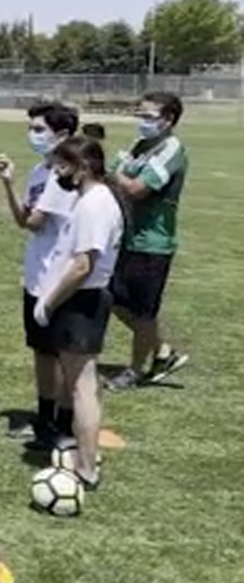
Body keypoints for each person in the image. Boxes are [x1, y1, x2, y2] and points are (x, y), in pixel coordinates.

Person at [32, 136, 124, 490]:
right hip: (79, 301)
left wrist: (50, 300)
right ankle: (85, 455)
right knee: (78, 384)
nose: (58, 173)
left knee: (81, 387)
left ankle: (86, 466)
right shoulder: (89, 201)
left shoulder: (94, 204)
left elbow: (84, 264)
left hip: (81, 302)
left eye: (63, 166)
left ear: (83, 167)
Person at [0, 102, 78, 448]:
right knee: (42, 352)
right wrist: (9, 185)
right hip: (36, 275)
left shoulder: (63, 176)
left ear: (63, 134)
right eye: (31, 128)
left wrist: (12, 187)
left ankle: (64, 423)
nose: (32, 135)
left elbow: (34, 221)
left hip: (58, 278)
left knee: (62, 355)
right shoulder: (40, 171)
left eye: (40, 129)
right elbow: (23, 221)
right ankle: (45, 418)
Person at [105, 91, 189, 391]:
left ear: (168, 119)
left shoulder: (171, 150)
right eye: (140, 114)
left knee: (143, 312)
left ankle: (135, 370)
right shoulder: (141, 145)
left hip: (153, 243)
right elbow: (113, 175)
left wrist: (117, 175)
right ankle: (163, 351)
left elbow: (136, 189)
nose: (142, 121)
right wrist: (118, 175)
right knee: (113, 299)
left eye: (149, 116)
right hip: (128, 236)